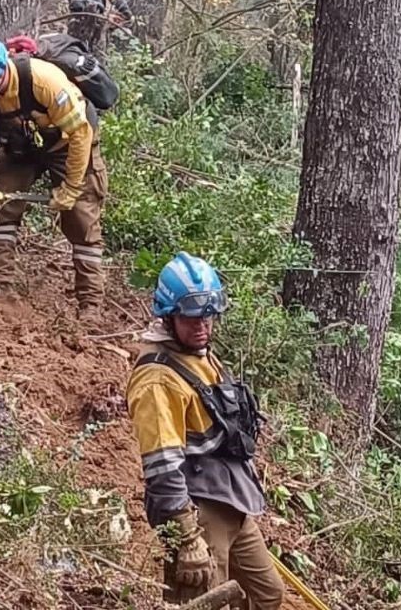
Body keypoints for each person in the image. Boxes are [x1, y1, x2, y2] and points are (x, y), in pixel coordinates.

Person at [124, 252, 284, 608]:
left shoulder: (201, 355)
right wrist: (187, 537)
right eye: (191, 318)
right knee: (204, 601)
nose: (202, 326)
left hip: (232, 501)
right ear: (168, 316)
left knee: (268, 594)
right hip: (199, 511)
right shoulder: (156, 379)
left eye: (208, 317)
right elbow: (162, 466)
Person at [0, 30, 109, 316]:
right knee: (1, 202)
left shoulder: (45, 81)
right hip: (22, 146)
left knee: (81, 217)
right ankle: (0, 282)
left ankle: (91, 306)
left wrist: (71, 188)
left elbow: (80, 134)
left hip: (68, 143)